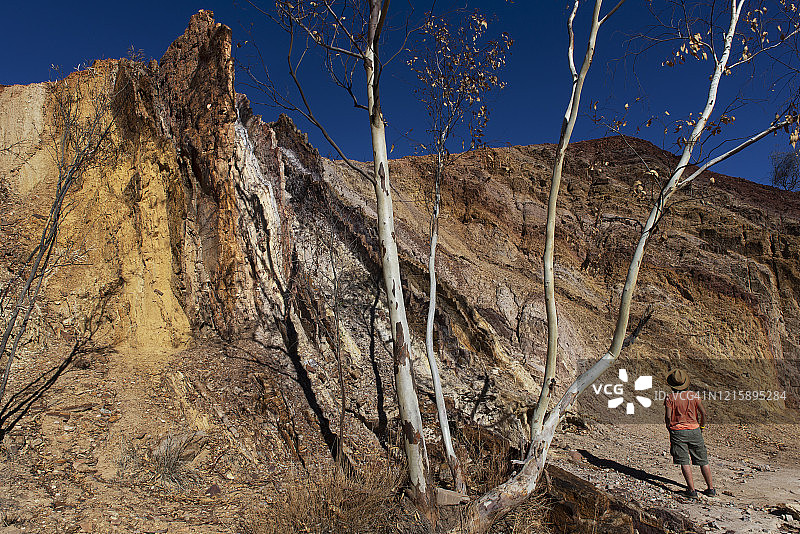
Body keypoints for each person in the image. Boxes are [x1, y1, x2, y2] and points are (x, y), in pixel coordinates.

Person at [664, 368, 716, 498]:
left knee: (684, 461)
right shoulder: (693, 396)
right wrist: (702, 426)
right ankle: (711, 488)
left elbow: (668, 417)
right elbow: (703, 413)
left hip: (678, 431)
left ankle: (691, 490)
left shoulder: (670, 398)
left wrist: (669, 427)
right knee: (703, 460)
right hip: (695, 430)